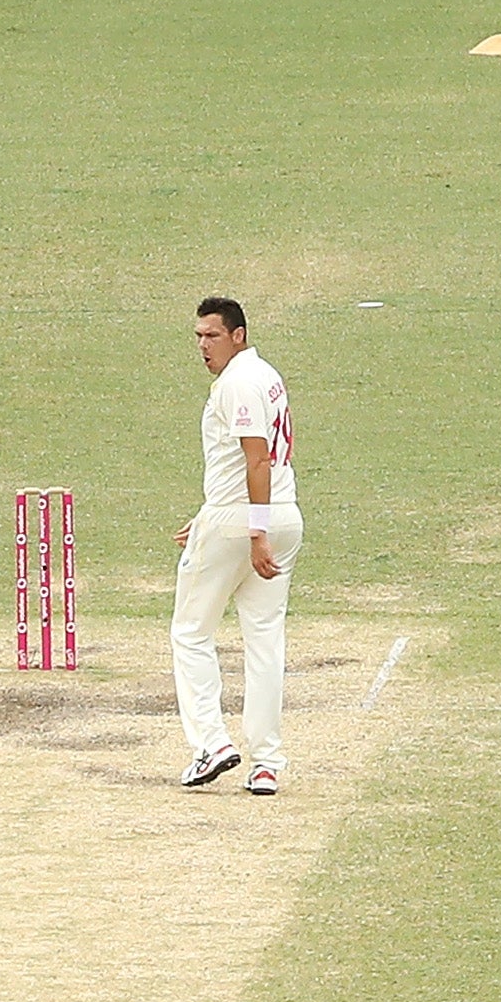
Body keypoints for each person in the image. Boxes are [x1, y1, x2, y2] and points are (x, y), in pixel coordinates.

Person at [170, 297, 301, 795]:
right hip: (279, 515)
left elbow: (258, 461)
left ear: (238, 335)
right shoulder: (265, 374)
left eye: (213, 336)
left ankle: (212, 743)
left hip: (249, 521)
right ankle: (266, 762)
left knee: (190, 631)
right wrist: (212, 515)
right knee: (264, 638)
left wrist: (253, 531)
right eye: (199, 336)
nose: (203, 346)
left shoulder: (239, 384)